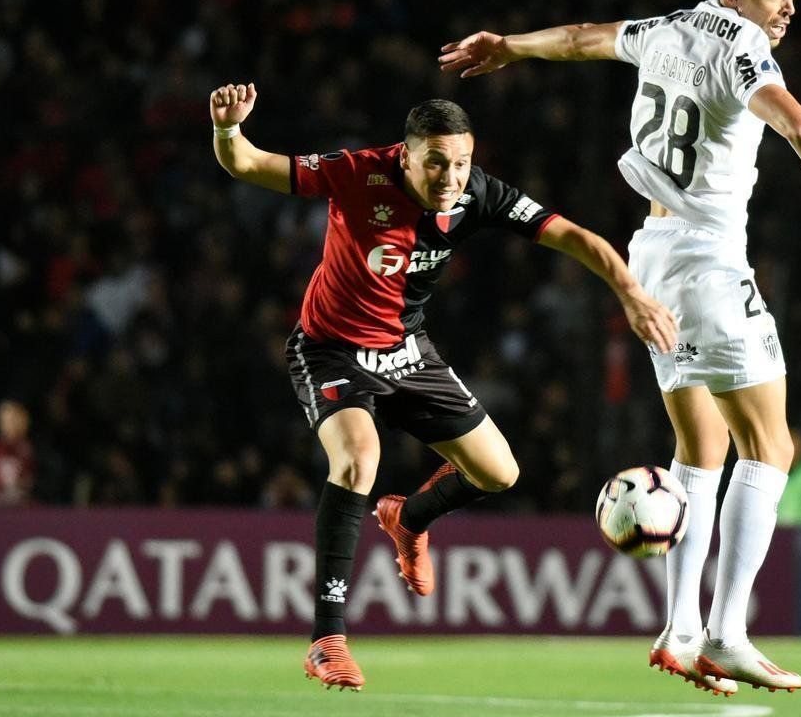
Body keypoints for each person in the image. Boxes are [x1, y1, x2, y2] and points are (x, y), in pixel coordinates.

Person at [439, 0, 801, 696]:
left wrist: (512, 46)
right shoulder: (743, 49)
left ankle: (681, 630)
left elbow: (586, 38)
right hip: (708, 261)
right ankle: (728, 633)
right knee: (772, 447)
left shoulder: (666, 30)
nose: (786, 7)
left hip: (651, 251)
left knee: (700, 448)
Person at [209, 85, 677, 691]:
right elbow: (248, 164)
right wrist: (227, 130)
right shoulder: (356, 173)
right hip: (331, 350)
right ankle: (327, 638)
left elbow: (575, 238)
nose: (450, 176)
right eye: (435, 161)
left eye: (459, 162)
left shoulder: (479, 192)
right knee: (358, 460)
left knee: (500, 472)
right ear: (404, 156)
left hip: (408, 349)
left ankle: (410, 517)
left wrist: (631, 294)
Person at [0, 399, 36, 507]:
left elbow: (33, 481)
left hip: (23, 507)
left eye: (16, 419)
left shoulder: (30, 450)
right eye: (9, 420)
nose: (13, 424)